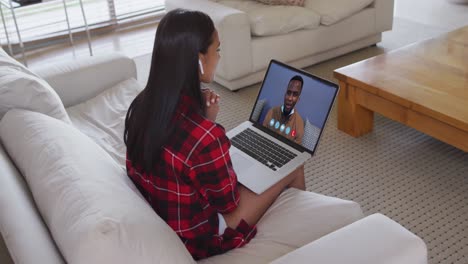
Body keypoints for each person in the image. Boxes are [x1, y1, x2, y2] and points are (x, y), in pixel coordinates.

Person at [124, 9, 305, 260]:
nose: (219, 57)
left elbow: (182, 154)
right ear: (199, 60)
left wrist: (206, 121)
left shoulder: (142, 105)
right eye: (217, 50)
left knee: (255, 169)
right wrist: (209, 131)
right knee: (293, 166)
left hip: (163, 211)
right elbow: (229, 203)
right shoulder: (206, 138)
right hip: (199, 235)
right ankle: (306, 244)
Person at [262, 76, 305, 144]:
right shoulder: (272, 111)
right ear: (285, 94)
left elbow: (295, 150)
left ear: (298, 99)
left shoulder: (299, 124)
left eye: (295, 95)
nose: (290, 98)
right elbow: (262, 135)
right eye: (288, 93)